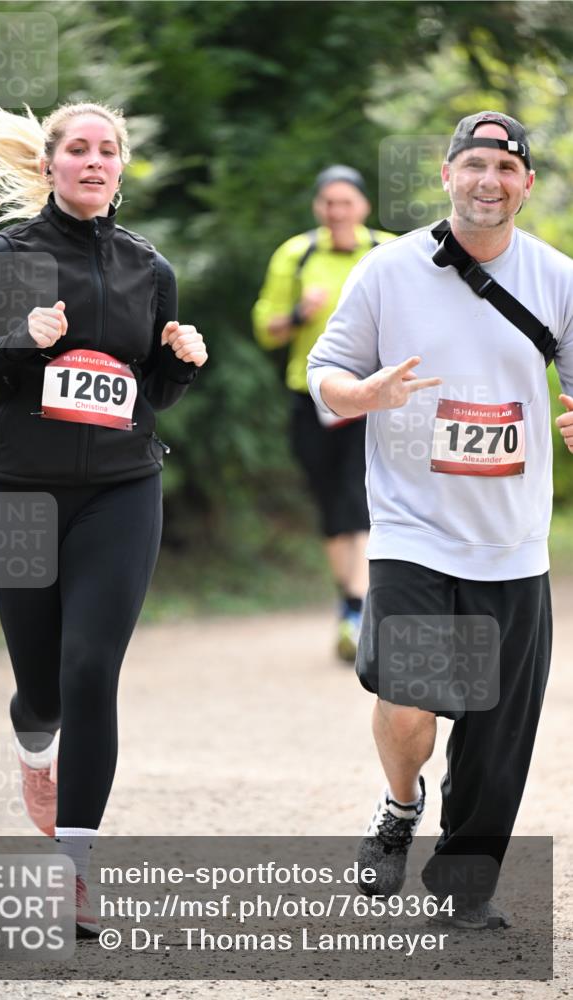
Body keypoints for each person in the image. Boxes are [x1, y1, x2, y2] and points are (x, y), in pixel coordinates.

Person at [0, 101, 208, 937]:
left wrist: (178, 366)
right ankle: (32, 745)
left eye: (107, 150)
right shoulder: (10, 259)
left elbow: (142, 401)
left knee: (89, 671)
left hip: (122, 489)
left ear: (120, 168)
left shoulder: (150, 271)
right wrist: (19, 340)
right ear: (50, 166)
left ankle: (72, 870)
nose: (92, 160)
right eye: (76, 148)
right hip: (17, 491)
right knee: (41, 690)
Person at [307, 112, 573, 928]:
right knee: (409, 695)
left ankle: (462, 893)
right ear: (447, 175)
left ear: (525, 185)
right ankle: (398, 805)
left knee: (496, 738)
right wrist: (366, 394)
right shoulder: (388, 272)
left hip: (513, 538)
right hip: (411, 528)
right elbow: (326, 374)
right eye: (473, 164)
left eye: (504, 166)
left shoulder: (557, 277)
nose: (487, 179)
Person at [252, 167, 392, 662]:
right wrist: (297, 317)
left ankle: (358, 607)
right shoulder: (295, 254)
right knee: (331, 500)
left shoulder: (388, 252)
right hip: (309, 396)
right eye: (328, 202)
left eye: (346, 201)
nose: (337, 211)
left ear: (363, 207)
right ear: (318, 208)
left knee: (358, 493)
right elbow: (265, 329)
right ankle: (352, 603)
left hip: (372, 396)